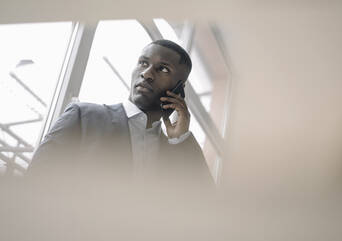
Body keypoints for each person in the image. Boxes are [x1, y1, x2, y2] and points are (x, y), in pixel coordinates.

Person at [28, 39, 212, 188]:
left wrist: (181, 140)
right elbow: (36, 181)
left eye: (163, 69)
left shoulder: (175, 151)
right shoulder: (83, 116)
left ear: (179, 88)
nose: (146, 74)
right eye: (143, 63)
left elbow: (205, 204)